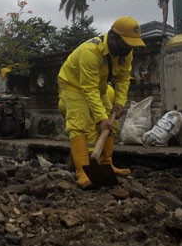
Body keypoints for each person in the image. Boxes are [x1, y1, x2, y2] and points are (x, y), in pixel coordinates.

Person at [57, 16, 145, 188]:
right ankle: (82, 172)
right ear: (112, 38)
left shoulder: (125, 52)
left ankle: (106, 164)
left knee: (112, 124)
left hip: (99, 85)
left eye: (131, 45)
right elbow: (88, 88)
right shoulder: (90, 51)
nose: (129, 49)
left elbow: (123, 78)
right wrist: (101, 118)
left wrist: (119, 102)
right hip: (73, 84)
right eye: (126, 44)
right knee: (79, 123)